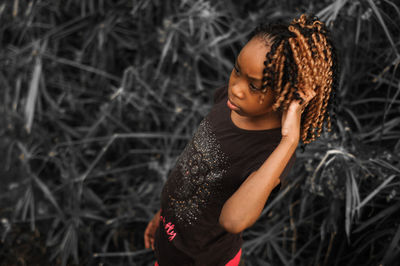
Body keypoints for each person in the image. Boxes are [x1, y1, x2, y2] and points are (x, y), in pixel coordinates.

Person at [144, 13, 338, 266]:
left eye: (254, 86)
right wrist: (165, 214)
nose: (236, 88)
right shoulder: (229, 102)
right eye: (237, 71)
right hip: (170, 238)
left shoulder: (271, 153)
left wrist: (290, 141)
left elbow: (233, 221)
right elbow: (193, 173)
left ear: (287, 94)